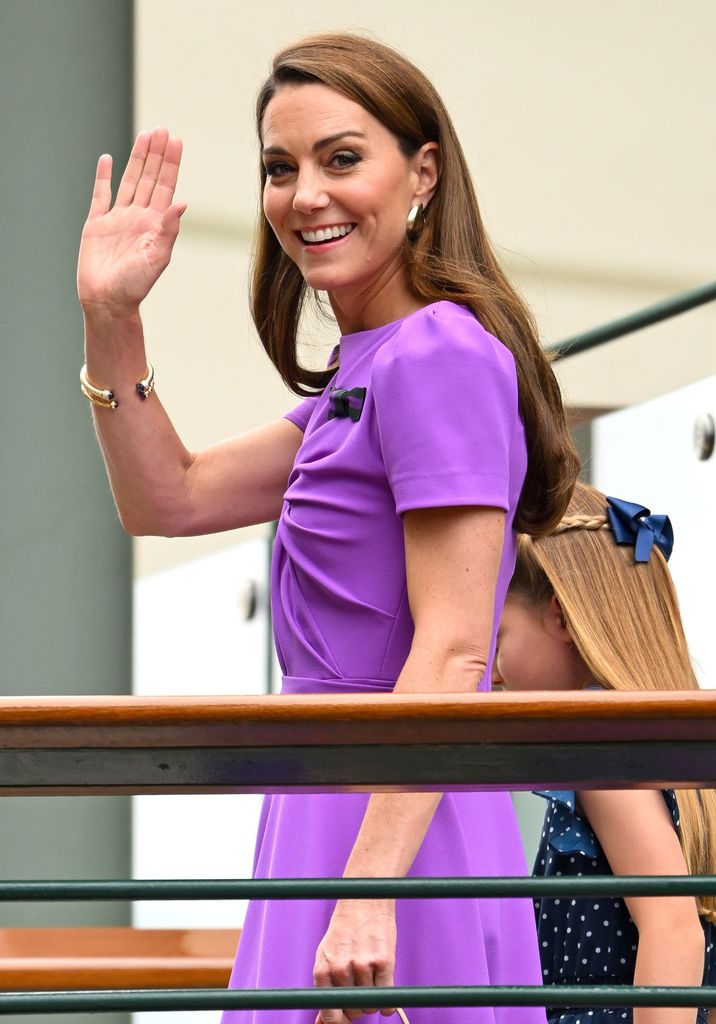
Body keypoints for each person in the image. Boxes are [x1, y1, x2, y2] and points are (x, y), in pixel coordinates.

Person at [76, 32, 579, 1024]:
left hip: (393, 825)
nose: (305, 194)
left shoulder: (435, 352)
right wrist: (109, 314)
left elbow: (448, 645)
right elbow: (165, 498)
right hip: (329, 805)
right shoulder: (364, 373)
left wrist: (370, 892)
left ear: (421, 173)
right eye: (279, 167)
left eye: (340, 158)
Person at [493, 480, 716, 1024]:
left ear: (562, 619)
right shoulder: (662, 746)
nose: (490, 671)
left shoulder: (600, 752)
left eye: (498, 636)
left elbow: (672, 930)